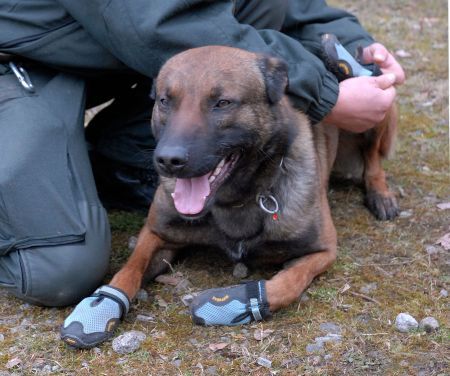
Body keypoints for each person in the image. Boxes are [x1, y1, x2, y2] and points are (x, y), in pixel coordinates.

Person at [0, 0, 405, 308]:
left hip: (115, 57)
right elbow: (157, 23)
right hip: (21, 63)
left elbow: (291, 5)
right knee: (60, 269)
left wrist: (355, 46)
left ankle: (93, 162)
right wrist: (326, 95)